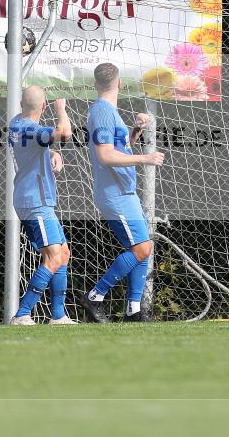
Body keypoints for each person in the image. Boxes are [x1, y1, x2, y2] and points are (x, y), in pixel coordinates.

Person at [79, 63, 164, 323]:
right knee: (141, 248)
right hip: (114, 193)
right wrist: (145, 158)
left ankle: (134, 310)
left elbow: (120, 148)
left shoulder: (108, 111)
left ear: (95, 85)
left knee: (143, 247)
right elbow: (106, 156)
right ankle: (95, 296)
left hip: (125, 191)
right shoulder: (102, 112)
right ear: (119, 84)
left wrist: (136, 131)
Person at [7, 86, 76, 325]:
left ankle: (58, 315)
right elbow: (64, 132)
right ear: (45, 106)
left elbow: (35, 146)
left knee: (63, 254)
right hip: (35, 201)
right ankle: (22, 314)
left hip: (35, 200)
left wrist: (52, 153)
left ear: (21, 105)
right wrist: (61, 109)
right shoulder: (33, 129)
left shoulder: (16, 123)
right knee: (53, 258)